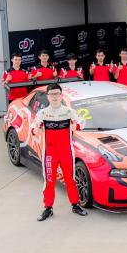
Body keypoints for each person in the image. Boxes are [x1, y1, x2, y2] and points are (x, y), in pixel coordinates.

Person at [31, 83, 88, 221]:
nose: (54, 97)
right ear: (48, 96)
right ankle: (48, 208)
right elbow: (33, 128)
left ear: (61, 96)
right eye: (51, 94)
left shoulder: (69, 112)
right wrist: (35, 130)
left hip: (66, 151)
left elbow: (82, 123)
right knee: (49, 181)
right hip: (50, 153)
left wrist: (76, 125)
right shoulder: (43, 113)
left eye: (57, 94)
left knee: (70, 179)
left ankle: (75, 205)